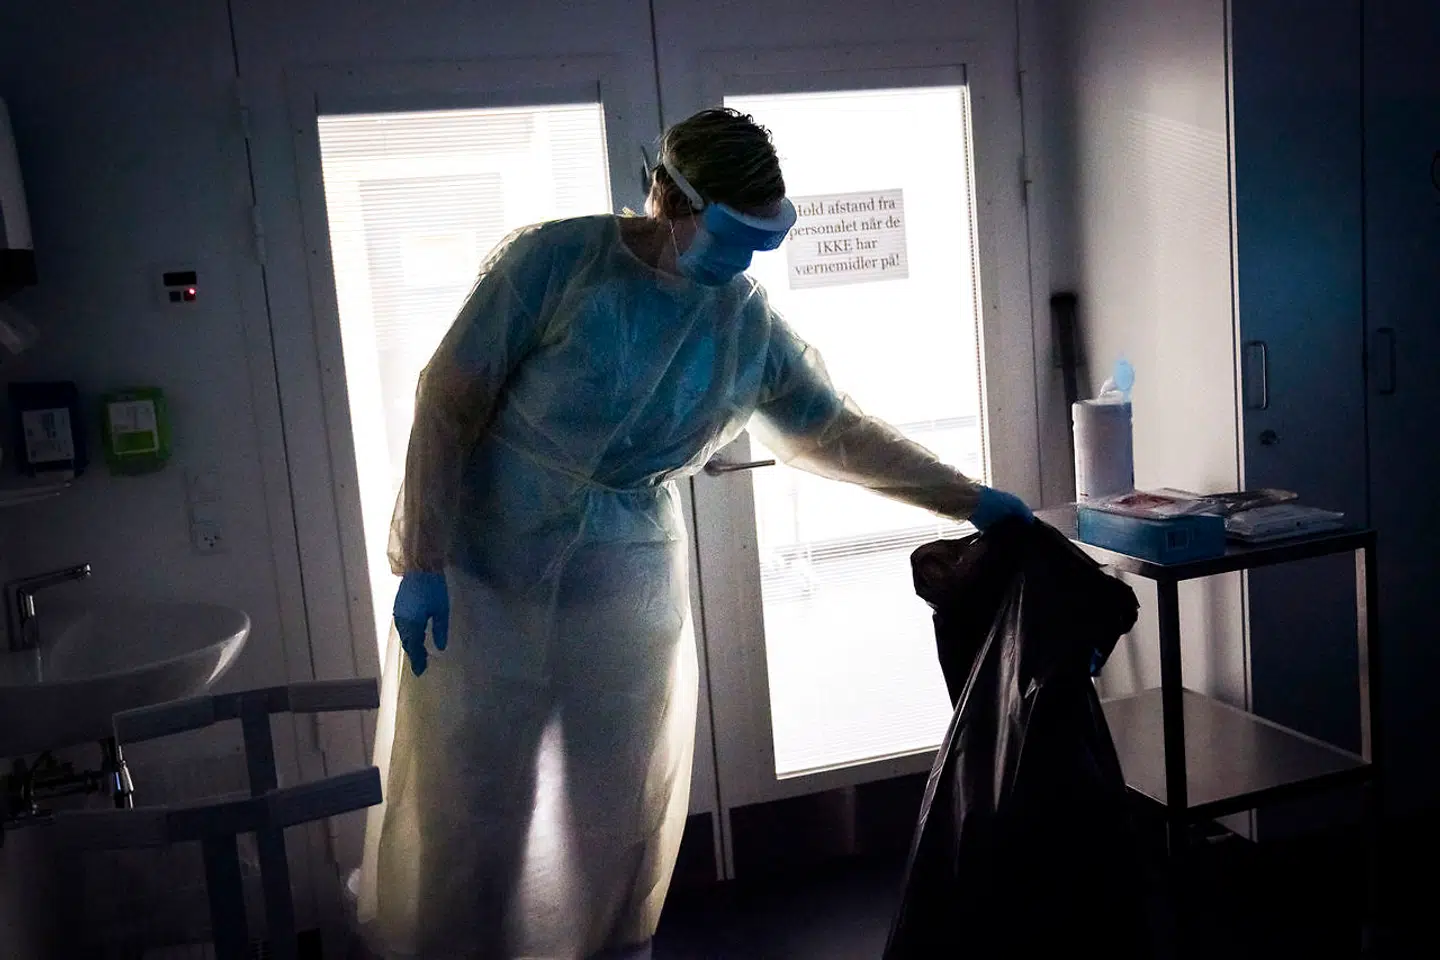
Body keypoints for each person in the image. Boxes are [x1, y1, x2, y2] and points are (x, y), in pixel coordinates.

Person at [353, 107, 1032, 960]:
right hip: (489, 567)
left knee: (616, 801)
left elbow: (835, 431)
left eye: (760, 241)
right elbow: (448, 398)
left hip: (623, 579)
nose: (739, 262)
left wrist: (968, 499)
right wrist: (422, 557)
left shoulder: (742, 321)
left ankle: (613, 949)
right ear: (670, 199)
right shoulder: (559, 263)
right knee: (475, 800)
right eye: (729, 235)